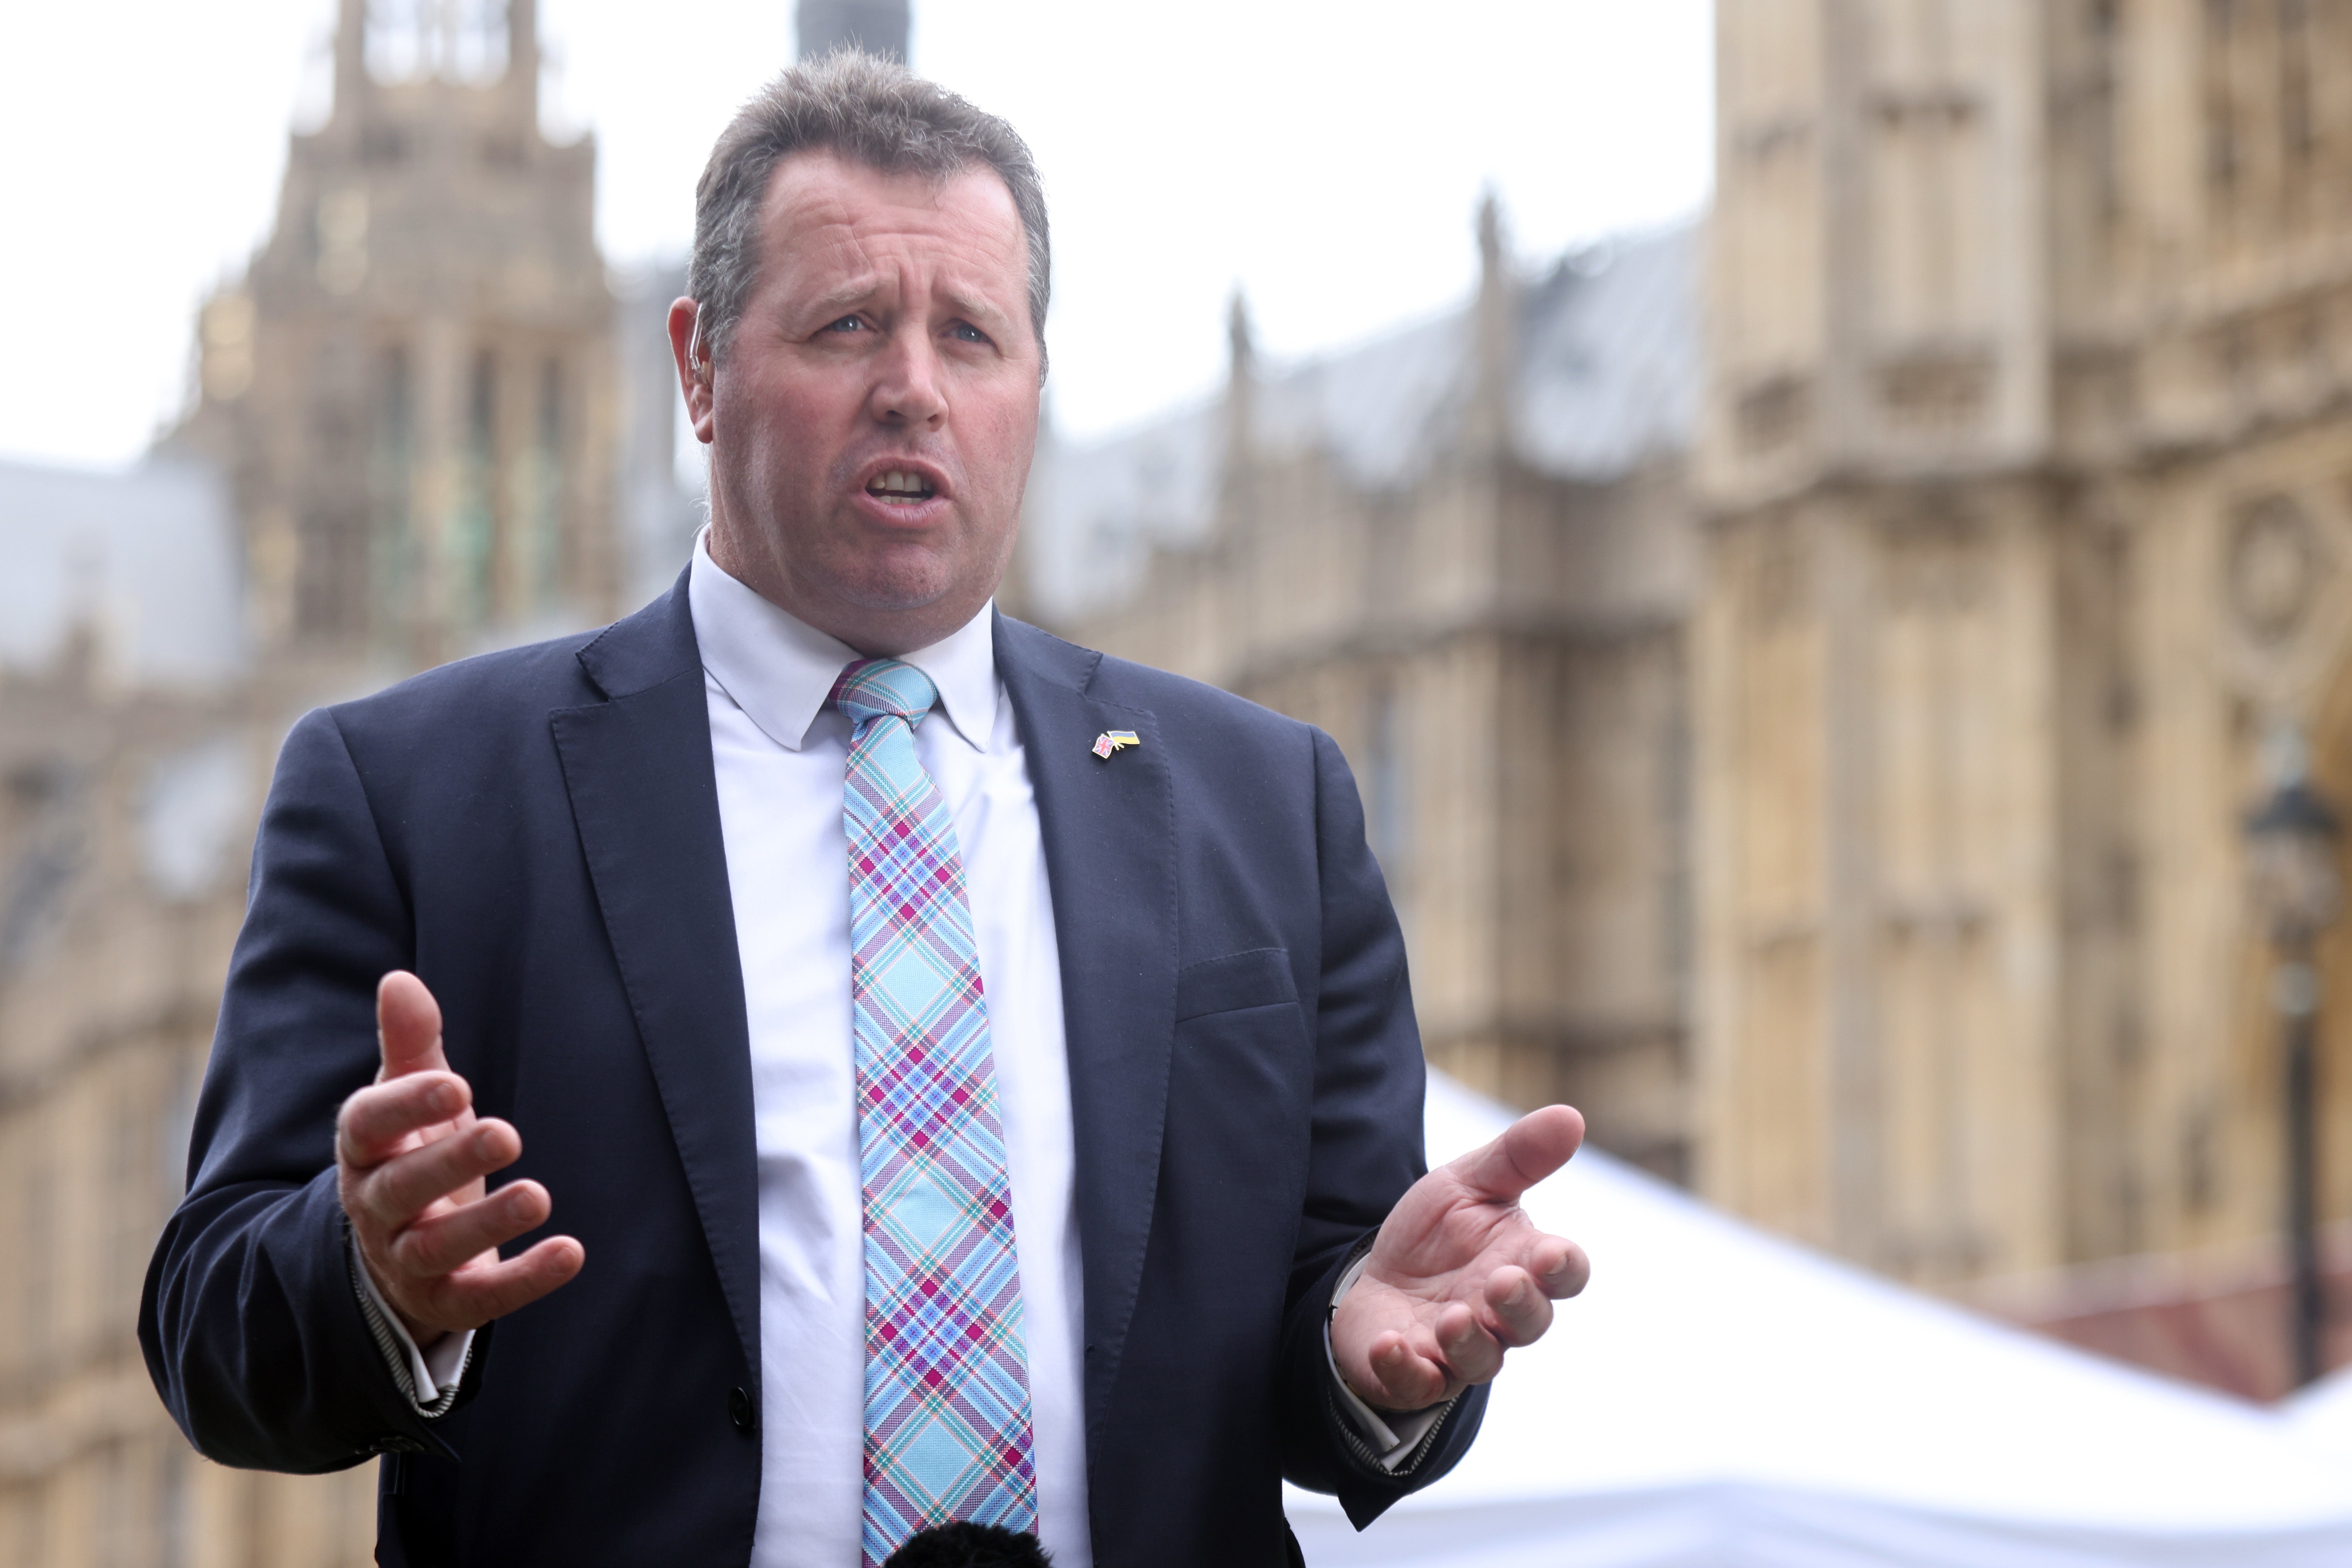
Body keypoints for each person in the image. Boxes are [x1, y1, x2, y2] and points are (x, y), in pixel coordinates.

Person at [140, 53, 1589, 1568]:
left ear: (1035, 380)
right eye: (847, 326)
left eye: (971, 333)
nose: (915, 385)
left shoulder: (1266, 805)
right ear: (697, 370)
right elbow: (215, 1329)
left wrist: (1372, 1362)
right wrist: (373, 1271)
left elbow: (1338, 1305)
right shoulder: (414, 796)